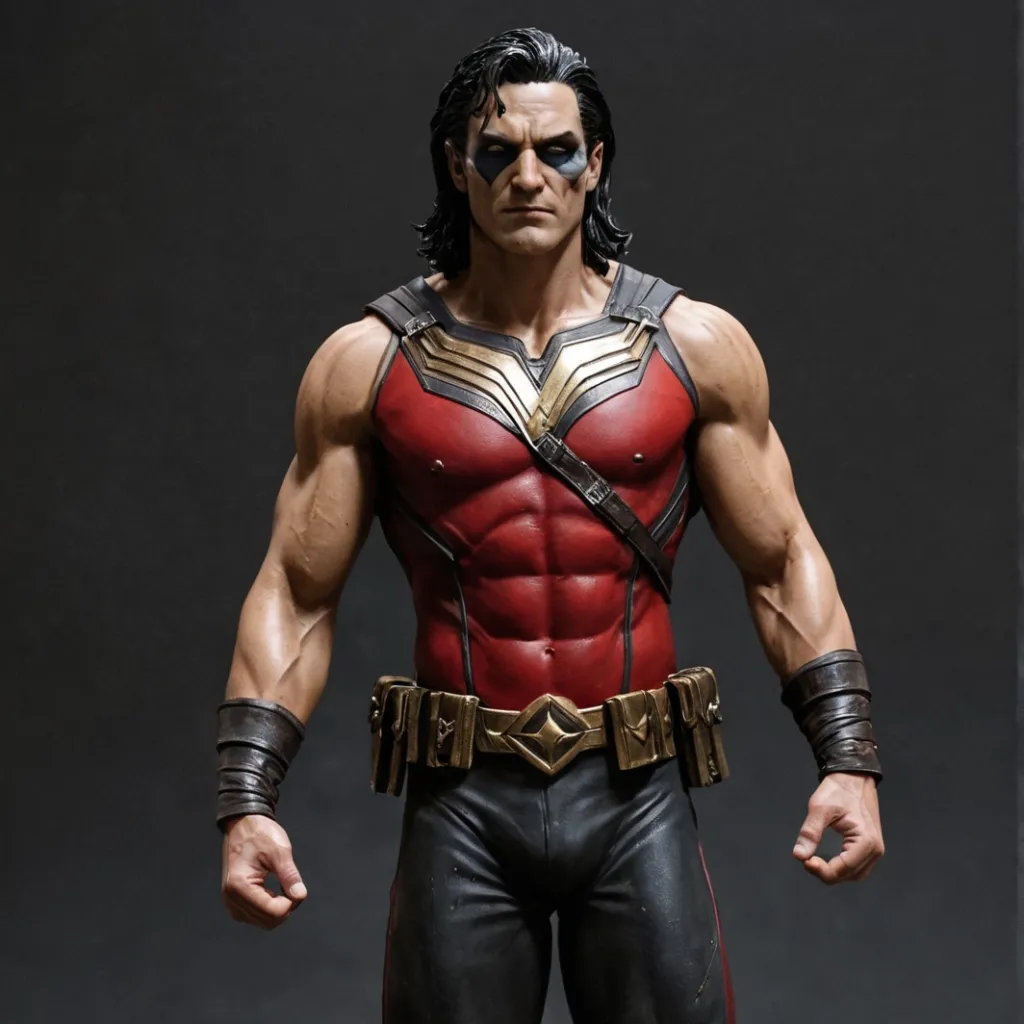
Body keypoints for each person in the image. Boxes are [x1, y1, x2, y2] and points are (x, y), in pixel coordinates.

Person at [214, 27, 884, 1024]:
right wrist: (246, 800)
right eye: (498, 152)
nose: (528, 177)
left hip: (634, 792)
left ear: (594, 162)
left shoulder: (692, 348)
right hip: (463, 801)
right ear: (458, 166)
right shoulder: (368, 364)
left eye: (556, 150)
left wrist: (848, 760)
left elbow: (783, 561)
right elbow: (296, 590)